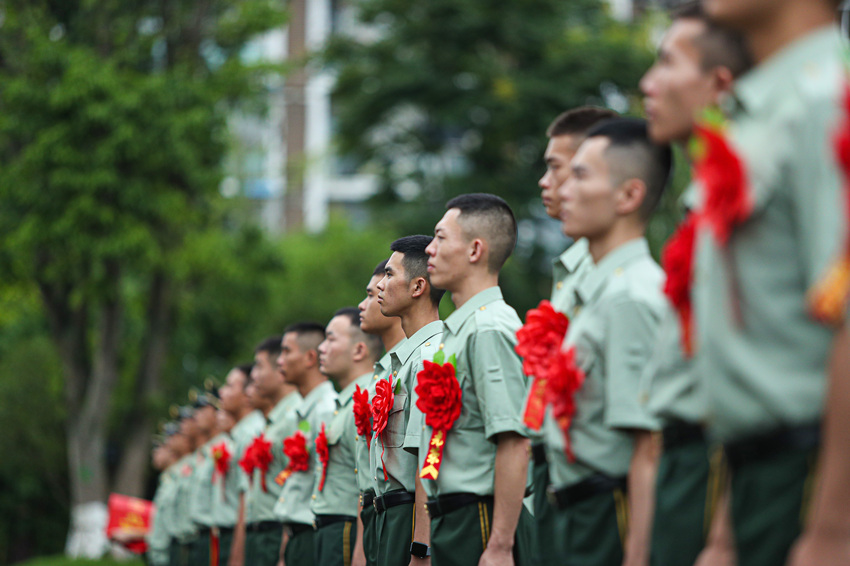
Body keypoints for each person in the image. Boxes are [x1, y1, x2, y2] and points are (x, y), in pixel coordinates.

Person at [688, 1, 848, 564]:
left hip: (815, 477)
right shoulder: (770, 106)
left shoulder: (829, 97)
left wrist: (834, 529)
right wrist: (728, 533)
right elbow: (768, 353)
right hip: (760, 468)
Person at [637, 4, 750, 565]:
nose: (647, 83)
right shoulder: (702, 197)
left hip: (719, 464)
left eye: (667, 63)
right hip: (683, 464)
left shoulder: (748, 179)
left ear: (718, 84)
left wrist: (724, 535)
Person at [544, 118, 672, 566]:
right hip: (574, 509)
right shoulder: (596, 291)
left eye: (581, 175)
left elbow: (648, 448)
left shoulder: (630, 297)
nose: (563, 190)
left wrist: (637, 555)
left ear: (629, 195)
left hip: (608, 511)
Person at [413, 193, 531, 566]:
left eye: (440, 238)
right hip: (454, 514)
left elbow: (514, 440)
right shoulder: (459, 331)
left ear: (475, 249)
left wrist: (500, 545)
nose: (429, 250)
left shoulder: (489, 329)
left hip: (480, 517)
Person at [529, 105, 617, 565]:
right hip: (556, 475)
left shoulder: (616, 283)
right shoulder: (570, 271)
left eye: (556, 168)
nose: (546, 183)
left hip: (592, 486)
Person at [373, 235, 444, 565]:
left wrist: (421, 546)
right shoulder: (404, 359)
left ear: (418, 287)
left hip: (409, 516)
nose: (379, 287)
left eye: (389, 275)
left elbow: (426, 459)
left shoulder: (431, 355)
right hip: (387, 516)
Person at [312, 307, 384, 566]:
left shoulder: (367, 398)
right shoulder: (344, 403)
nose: (321, 348)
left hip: (348, 530)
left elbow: (366, 481)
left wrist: (359, 551)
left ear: (359, 350)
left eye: (331, 339)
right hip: (329, 530)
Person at [232, 337, 302, 566]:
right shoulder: (272, 422)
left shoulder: (295, 417)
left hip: (276, 531)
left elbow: (294, 485)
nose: (253, 376)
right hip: (260, 533)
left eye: (260, 366)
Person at [356, 259, 408, 566]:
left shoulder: (421, 359)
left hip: (404, 511)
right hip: (378, 513)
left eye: (386, 280)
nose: (366, 303)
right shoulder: (382, 373)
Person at [272, 322, 337, 566]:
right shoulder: (305, 411)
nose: (280, 361)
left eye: (286, 351)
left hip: (313, 534)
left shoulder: (326, 409)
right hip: (296, 534)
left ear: (310, 357)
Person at [211, 364, 263, 565]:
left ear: (246, 393)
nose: (222, 392)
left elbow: (245, 498)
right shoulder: (241, 433)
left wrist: (236, 555)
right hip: (227, 533)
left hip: (238, 533)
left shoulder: (251, 433)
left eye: (230, 386)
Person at [148, 424, 180, 566]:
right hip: (160, 554)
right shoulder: (166, 479)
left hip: (171, 554)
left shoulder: (179, 478)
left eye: (160, 447)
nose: (155, 452)